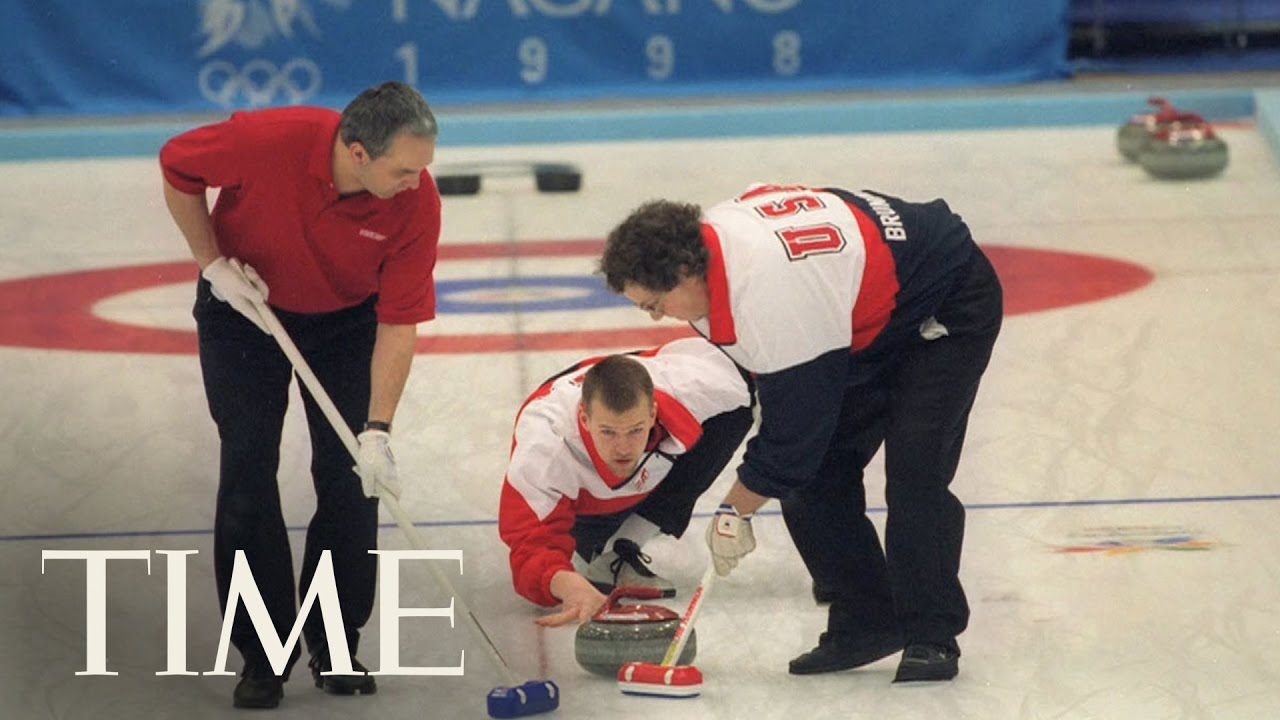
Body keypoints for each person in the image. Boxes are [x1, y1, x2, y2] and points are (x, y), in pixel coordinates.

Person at [599, 183, 1003, 683]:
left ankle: (932, 633)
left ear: (685, 271)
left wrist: (734, 510)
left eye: (655, 305)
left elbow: (794, 436)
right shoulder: (712, 263)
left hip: (946, 298)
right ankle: (868, 620)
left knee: (915, 471)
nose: (659, 317)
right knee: (815, 477)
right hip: (862, 314)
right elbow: (787, 410)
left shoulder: (768, 296)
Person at [159, 81, 441, 709]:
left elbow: (399, 322)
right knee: (247, 470)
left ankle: (334, 642)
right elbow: (177, 166)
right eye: (403, 169)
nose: (415, 182)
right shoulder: (269, 140)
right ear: (358, 153)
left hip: (347, 321)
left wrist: (378, 431)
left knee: (352, 475)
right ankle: (263, 655)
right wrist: (212, 264)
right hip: (244, 306)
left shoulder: (416, 202)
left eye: (422, 168)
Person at [498, 337, 754, 626]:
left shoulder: (695, 388)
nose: (623, 448)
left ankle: (623, 545)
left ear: (653, 414)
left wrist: (745, 502)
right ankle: (598, 540)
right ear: (584, 419)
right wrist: (570, 586)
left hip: (659, 400)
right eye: (608, 432)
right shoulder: (544, 449)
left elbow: (760, 371)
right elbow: (529, 548)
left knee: (738, 411)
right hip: (583, 510)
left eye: (635, 430)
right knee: (577, 540)